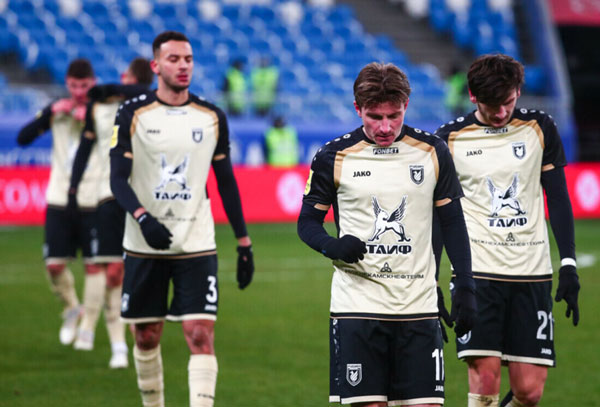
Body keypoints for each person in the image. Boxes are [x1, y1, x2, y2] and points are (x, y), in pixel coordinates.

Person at [297, 62, 477, 407]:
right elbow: (307, 223)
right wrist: (332, 245)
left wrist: (466, 285)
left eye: (394, 116)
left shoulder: (433, 151)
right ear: (357, 109)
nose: (385, 127)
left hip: (418, 306)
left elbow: (453, 222)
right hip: (358, 307)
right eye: (374, 116)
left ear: (406, 105)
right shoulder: (333, 156)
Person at [110, 31, 254, 407]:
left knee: (200, 334)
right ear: (156, 66)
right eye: (173, 59)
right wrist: (143, 218)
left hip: (196, 242)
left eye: (188, 59)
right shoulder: (132, 114)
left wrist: (243, 242)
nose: (183, 65)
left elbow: (226, 182)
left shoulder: (211, 116)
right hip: (143, 243)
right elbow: (117, 179)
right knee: (146, 336)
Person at [434, 54, 580, 407]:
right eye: (491, 104)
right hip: (477, 274)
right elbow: (439, 215)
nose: (501, 112)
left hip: (532, 273)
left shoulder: (539, 127)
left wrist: (569, 264)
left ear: (518, 91)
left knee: (529, 391)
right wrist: (431, 280)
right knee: (485, 379)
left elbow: (558, 197)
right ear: (472, 96)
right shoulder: (449, 139)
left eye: (508, 102)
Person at [67, 57, 154, 368]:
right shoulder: (99, 107)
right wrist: (73, 188)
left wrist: (115, 88)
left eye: (126, 76)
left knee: (130, 272)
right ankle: (114, 342)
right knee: (110, 269)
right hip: (108, 193)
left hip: (142, 195)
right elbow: (84, 148)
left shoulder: (145, 102)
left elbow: (144, 90)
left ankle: (116, 329)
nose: (121, 79)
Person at [16, 59, 97, 346]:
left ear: (93, 83)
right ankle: (73, 308)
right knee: (54, 265)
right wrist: (50, 112)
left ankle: (88, 326)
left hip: (92, 199)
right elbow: (23, 138)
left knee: (94, 268)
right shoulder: (57, 111)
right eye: (74, 85)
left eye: (84, 85)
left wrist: (91, 118)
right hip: (59, 198)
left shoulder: (102, 111)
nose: (79, 91)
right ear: (66, 84)